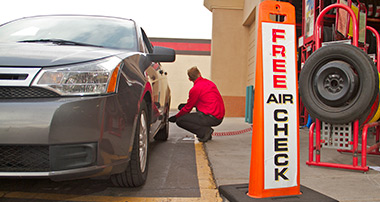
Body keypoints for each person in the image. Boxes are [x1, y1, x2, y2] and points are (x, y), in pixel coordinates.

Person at [169, 66, 225, 142]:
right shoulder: (210, 83)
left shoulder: (195, 89)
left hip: (210, 117)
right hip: (219, 117)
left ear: (189, 79)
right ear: (199, 74)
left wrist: (176, 117)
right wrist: (185, 106)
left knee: (180, 120)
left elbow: (188, 108)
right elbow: (204, 101)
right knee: (196, 114)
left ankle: (204, 132)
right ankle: (206, 132)